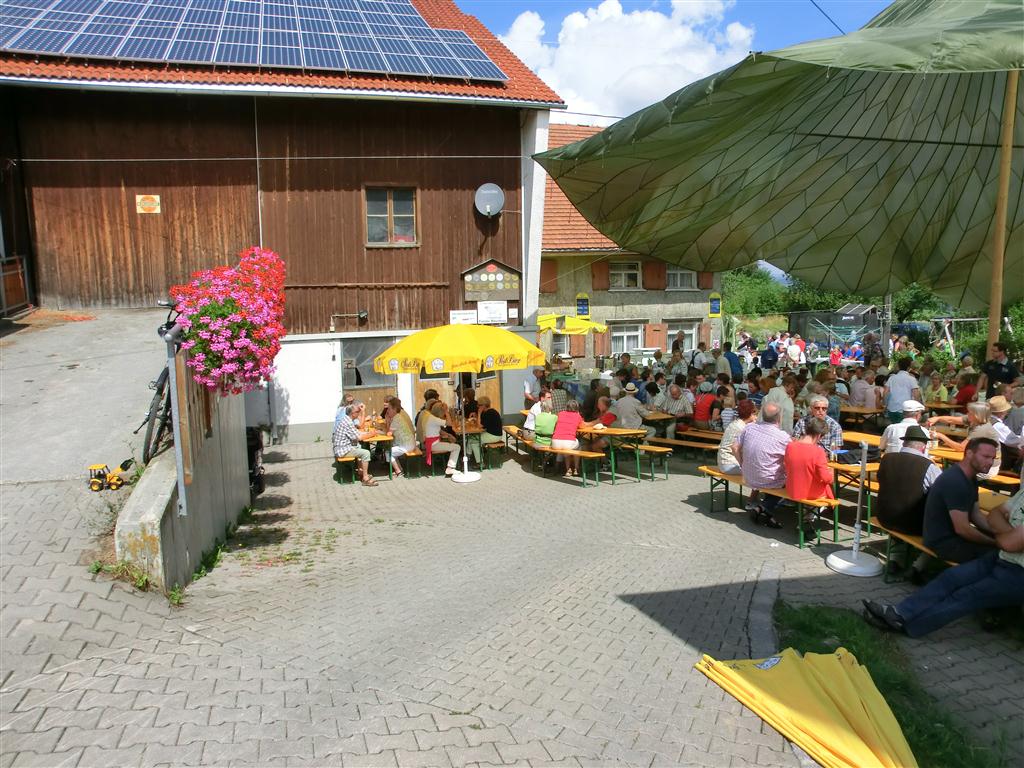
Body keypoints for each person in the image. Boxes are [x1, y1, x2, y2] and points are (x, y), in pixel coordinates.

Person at [863, 487, 1024, 638]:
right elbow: (994, 514)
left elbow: (1008, 543)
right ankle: (899, 613)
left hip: (1018, 574)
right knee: (952, 576)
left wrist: (1003, 533)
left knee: (967, 595)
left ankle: (907, 627)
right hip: (1001, 558)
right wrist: (1010, 533)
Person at [922, 437, 1000, 563]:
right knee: (1002, 555)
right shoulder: (956, 481)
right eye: (986, 456)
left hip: (954, 536)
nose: (990, 462)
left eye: (993, 458)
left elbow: (976, 515)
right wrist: (995, 542)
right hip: (943, 542)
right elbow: (963, 529)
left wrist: (998, 531)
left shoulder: (970, 477)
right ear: (969, 454)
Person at [875, 425, 942, 537]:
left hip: (884, 518)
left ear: (904, 443)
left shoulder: (886, 458)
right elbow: (943, 492)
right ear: (924, 447)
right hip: (914, 525)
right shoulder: (929, 466)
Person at [733, 402, 791, 529]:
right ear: (779, 417)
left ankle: (767, 514)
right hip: (768, 480)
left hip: (748, 476)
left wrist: (742, 464)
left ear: (762, 415)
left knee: (772, 471)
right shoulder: (783, 437)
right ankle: (763, 507)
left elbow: (734, 447)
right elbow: (792, 460)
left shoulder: (749, 428)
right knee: (789, 480)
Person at [784, 417, 835, 505]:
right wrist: (832, 473)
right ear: (819, 435)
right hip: (811, 493)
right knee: (829, 487)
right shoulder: (818, 451)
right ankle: (817, 512)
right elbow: (826, 478)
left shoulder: (790, 446)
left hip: (792, 490)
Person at [332, 401, 378, 487]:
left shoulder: (346, 419)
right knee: (366, 453)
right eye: (357, 411)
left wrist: (367, 433)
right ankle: (365, 479)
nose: (359, 413)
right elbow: (359, 437)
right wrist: (372, 434)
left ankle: (361, 472)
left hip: (342, 447)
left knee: (359, 445)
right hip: (342, 450)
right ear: (352, 413)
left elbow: (356, 432)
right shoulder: (348, 422)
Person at [422, 401, 461, 476]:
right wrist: (446, 411)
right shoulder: (434, 419)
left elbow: (439, 430)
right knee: (457, 447)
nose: (444, 415)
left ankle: (450, 466)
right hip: (433, 445)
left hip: (431, 443)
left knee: (453, 443)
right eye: (443, 413)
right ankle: (450, 468)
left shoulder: (431, 418)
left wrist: (448, 435)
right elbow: (449, 423)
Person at [718, 399, 756, 474]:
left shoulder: (735, 423)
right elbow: (736, 448)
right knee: (759, 472)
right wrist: (742, 465)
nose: (756, 417)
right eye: (755, 414)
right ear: (750, 413)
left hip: (723, 462)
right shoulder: (742, 428)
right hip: (730, 465)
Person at [383, 397, 416, 478]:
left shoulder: (396, 419)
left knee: (388, 452)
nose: (387, 411)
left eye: (389, 409)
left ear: (394, 409)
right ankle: (399, 469)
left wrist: (387, 421)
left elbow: (389, 434)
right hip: (408, 443)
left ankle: (398, 471)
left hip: (406, 445)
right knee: (391, 448)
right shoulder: (397, 417)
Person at [551, 401, 586, 476]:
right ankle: (576, 469)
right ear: (577, 408)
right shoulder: (577, 416)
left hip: (555, 442)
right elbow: (582, 426)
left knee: (566, 448)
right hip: (567, 442)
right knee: (577, 446)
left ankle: (568, 470)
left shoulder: (560, 414)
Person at [883, 357, 921, 423]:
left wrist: (885, 405)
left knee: (894, 425)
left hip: (892, 408)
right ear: (909, 367)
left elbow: (885, 392)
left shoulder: (892, 378)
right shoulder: (911, 379)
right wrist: (917, 407)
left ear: (898, 366)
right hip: (905, 409)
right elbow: (916, 394)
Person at [473, 395, 504, 463]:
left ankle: (480, 462)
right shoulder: (488, 412)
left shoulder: (490, 413)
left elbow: (479, 426)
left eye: (479, 405)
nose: (477, 406)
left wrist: (479, 413)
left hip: (494, 436)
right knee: (471, 438)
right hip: (490, 434)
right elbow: (482, 424)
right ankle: (469, 456)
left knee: (474, 442)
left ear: (484, 405)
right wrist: (477, 415)